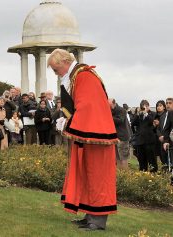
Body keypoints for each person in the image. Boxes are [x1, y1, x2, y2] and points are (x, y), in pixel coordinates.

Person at [47, 48, 118, 231]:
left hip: (96, 136)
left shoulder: (84, 76)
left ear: (64, 62)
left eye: (56, 69)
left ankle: (98, 221)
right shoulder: (76, 76)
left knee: (97, 178)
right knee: (87, 176)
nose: (56, 74)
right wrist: (66, 118)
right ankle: (89, 216)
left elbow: (87, 106)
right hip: (88, 135)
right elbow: (79, 105)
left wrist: (68, 123)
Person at [131, 100, 157, 172]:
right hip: (140, 142)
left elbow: (152, 122)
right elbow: (133, 123)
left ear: (148, 106)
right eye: (143, 107)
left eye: (146, 106)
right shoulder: (139, 115)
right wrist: (137, 114)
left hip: (149, 141)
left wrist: (146, 114)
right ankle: (143, 175)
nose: (144, 108)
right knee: (142, 161)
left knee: (152, 161)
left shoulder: (153, 114)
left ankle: (153, 176)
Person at [108, 98, 132, 169]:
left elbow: (120, 121)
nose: (108, 107)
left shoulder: (121, 110)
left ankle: (125, 176)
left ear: (113, 103)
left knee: (123, 158)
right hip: (116, 137)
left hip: (123, 137)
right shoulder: (112, 111)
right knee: (117, 158)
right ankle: (120, 175)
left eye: (109, 105)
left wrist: (109, 116)